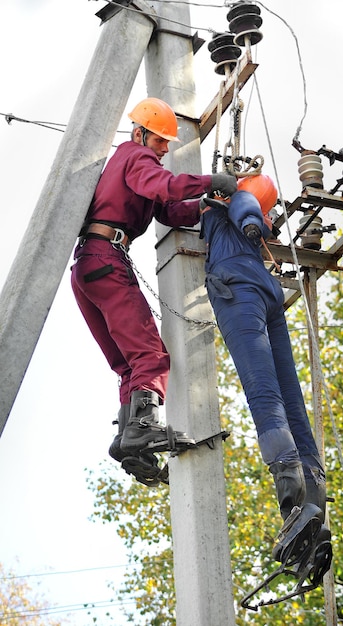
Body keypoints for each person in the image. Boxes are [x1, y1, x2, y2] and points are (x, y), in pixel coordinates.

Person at [71, 97, 237, 485]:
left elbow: (166, 209)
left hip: (88, 266)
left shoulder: (131, 165)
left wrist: (203, 206)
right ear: (139, 133)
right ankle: (143, 428)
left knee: (129, 364)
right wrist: (212, 181)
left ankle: (130, 441)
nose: (165, 148)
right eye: (160, 140)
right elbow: (162, 186)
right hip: (107, 258)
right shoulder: (136, 158)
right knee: (150, 353)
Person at [199, 174, 332, 581]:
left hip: (239, 289)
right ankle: (315, 512)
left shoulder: (231, 207)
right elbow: (253, 215)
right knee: (292, 404)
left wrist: (234, 201)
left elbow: (241, 206)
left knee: (265, 397)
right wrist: (255, 222)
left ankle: (292, 503)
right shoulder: (255, 231)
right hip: (268, 293)